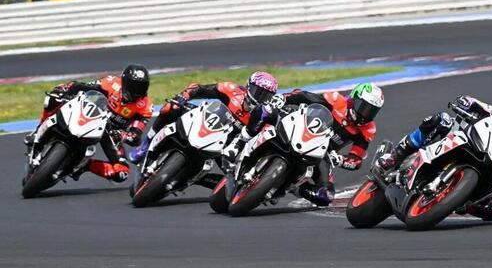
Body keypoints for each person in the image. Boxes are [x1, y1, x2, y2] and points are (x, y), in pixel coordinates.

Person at [378, 96, 492, 220]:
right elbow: (484, 107)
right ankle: (395, 156)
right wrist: (466, 102)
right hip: (473, 143)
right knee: (440, 120)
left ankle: (459, 202)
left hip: (490, 174)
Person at [232, 82, 385, 207]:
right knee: (265, 111)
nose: (365, 114)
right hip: (300, 129)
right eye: (363, 107)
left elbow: (357, 158)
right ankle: (240, 143)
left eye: (372, 111)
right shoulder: (336, 100)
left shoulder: (367, 129)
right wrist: (284, 99)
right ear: (353, 99)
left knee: (325, 196)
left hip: (321, 154)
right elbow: (303, 96)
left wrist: (341, 159)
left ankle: (295, 187)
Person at [25, 64, 153, 183]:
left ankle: (85, 165)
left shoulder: (145, 105)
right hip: (91, 115)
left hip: (110, 134)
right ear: (124, 82)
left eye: (142, 87)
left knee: (121, 173)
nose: (137, 91)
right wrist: (66, 89)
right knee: (52, 98)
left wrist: (124, 135)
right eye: (134, 86)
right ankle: (37, 131)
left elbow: (136, 134)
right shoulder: (111, 83)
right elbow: (84, 86)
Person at [129, 71, 279, 165]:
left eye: (265, 95)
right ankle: (145, 145)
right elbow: (199, 88)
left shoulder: (262, 116)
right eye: (257, 91)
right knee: (170, 108)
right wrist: (184, 96)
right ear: (248, 86)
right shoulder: (232, 90)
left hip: (226, 146)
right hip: (207, 123)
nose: (259, 97)